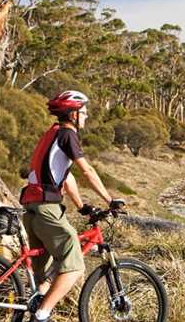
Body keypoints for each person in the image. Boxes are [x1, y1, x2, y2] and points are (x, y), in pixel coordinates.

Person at [19, 90, 124, 322]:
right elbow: (87, 171)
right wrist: (110, 200)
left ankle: (38, 302)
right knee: (75, 266)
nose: (86, 116)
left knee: (49, 270)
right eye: (83, 112)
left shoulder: (53, 134)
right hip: (47, 209)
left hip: (33, 208)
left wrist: (80, 206)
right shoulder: (68, 134)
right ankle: (42, 314)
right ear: (72, 114)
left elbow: (64, 176)